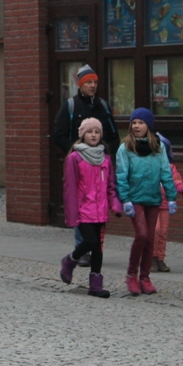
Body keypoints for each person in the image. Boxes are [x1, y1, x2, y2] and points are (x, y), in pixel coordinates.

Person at [52, 64, 120, 266]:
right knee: (80, 199)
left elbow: (113, 134)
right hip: (80, 162)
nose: (92, 86)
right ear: (80, 85)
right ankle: (82, 249)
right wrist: (76, 150)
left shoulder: (102, 106)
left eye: (95, 82)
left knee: (97, 199)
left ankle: (94, 246)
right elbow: (58, 135)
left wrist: (108, 152)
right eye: (88, 82)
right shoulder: (71, 105)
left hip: (100, 162)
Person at [116, 108, 177, 295]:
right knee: (141, 235)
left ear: (148, 126)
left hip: (153, 197)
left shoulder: (158, 148)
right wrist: (125, 199)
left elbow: (166, 172)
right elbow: (121, 175)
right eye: (134, 123)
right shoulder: (125, 148)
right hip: (135, 198)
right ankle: (131, 275)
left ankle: (145, 277)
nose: (136, 126)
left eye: (140, 123)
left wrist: (171, 196)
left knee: (150, 239)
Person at [59, 118, 122, 298]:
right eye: (89, 132)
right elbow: (70, 188)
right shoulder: (74, 158)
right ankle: (70, 260)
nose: (93, 135)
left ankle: (95, 285)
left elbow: (110, 186)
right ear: (82, 135)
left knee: (98, 249)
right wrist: (72, 214)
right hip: (83, 209)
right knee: (90, 242)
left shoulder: (106, 158)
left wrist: (115, 204)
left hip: (100, 210)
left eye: (96, 132)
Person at [152, 134, 183, 273]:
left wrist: (181, 187)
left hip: (165, 204)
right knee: (155, 230)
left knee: (163, 232)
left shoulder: (170, 167)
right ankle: (151, 257)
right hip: (151, 203)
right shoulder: (149, 165)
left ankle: (160, 258)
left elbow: (177, 181)